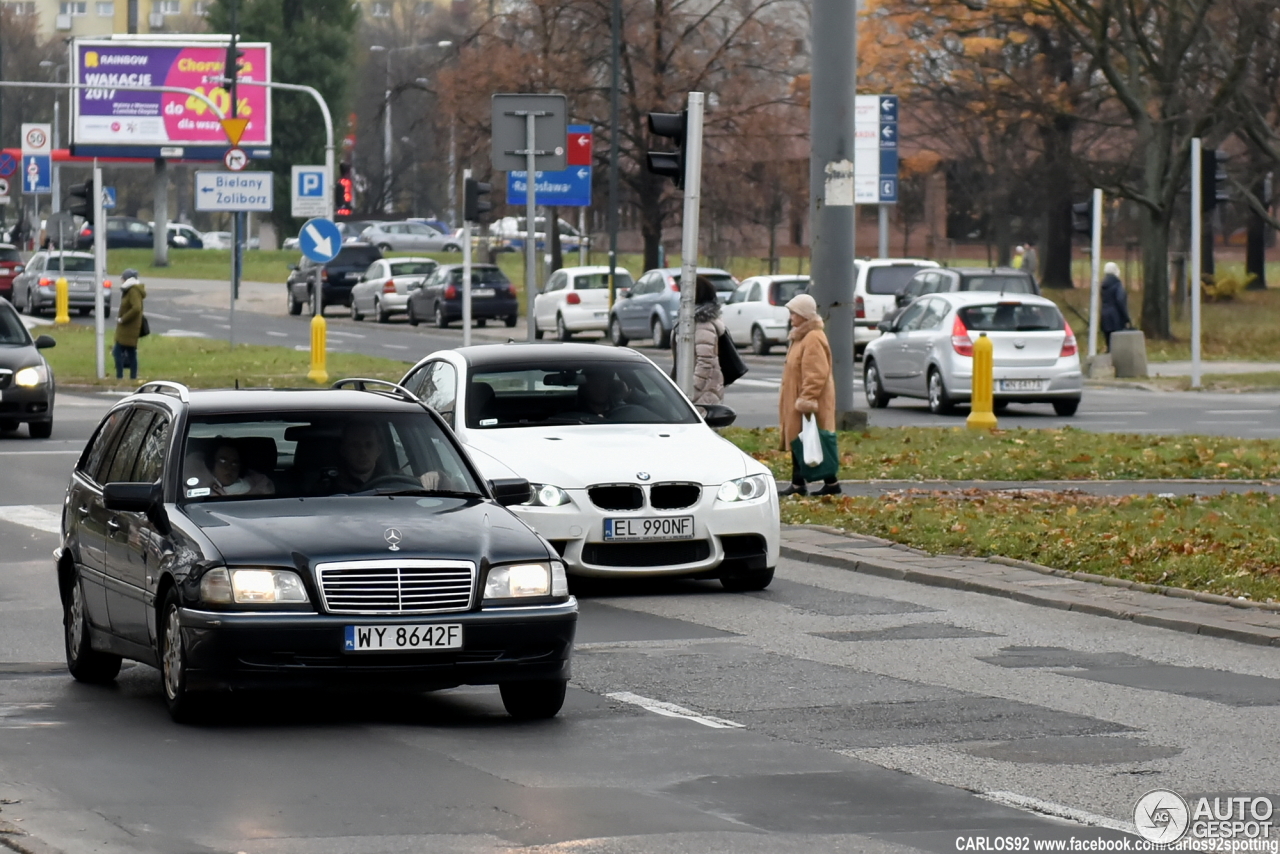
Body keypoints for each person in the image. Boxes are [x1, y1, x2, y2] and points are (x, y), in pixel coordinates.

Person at [777, 293, 839, 496]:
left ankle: (828, 483)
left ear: (803, 315)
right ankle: (799, 483)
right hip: (797, 397)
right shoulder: (801, 335)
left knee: (812, 439)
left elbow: (816, 373)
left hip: (807, 399)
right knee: (801, 440)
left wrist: (807, 398)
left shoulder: (812, 338)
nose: (790, 317)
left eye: (793, 313)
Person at [672, 276, 726, 406]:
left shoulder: (702, 324)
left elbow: (705, 361)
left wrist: (692, 390)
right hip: (694, 389)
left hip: (703, 394)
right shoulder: (687, 322)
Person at [186, 442, 275, 497]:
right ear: (212, 463)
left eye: (235, 463)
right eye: (223, 461)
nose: (229, 467)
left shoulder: (260, 490)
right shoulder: (193, 488)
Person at [113, 268, 146, 380]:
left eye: (122, 278)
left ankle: (120, 376)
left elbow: (136, 308)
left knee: (117, 352)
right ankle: (132, 376)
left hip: (129, 328)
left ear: (127, 279)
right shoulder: (130, 290)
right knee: (131, 352)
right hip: (128, 328)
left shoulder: (133, 291)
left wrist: (123, 319)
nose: (121, 280)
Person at [1100, 261, 1131, 351]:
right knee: (1117, 345)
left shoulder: (1104, 285)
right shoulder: (1117, 284)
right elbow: (1120, 301)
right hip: (1115, 318)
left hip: (1105, 316)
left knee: (1109, 342)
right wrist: (1126, 318)